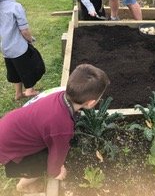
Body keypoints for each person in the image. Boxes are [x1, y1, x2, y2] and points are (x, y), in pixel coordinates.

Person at [0, 64, 110, 193]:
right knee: (40, 165)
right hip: (9, 149)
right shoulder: (62, 128)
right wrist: (56, 172)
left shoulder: (60, 94)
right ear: (91, 103)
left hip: (8, 128)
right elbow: (57, 154)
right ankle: (23, 185)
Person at [0, 0, 45, 100]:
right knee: (28, 68)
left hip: (6, 47)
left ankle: (18, 93)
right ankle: (30, 90)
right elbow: (24, 30)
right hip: (19, 48)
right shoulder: (16, 7)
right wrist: (30, 39)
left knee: (14, 70)